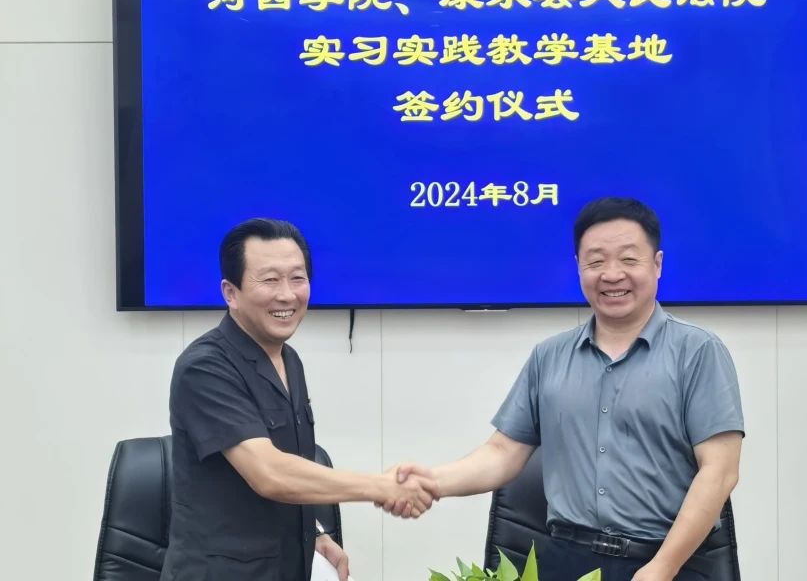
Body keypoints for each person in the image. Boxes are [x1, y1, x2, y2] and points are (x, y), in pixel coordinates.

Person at [383, 197, 744, 581]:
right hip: (566, 560)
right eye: (596, 261)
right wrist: (431, 481)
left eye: (628, 259)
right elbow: (503, 453)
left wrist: (662, 567)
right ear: (578, 267)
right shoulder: (549, 356)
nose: (612, 274)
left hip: (669, 562)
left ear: (657, 264)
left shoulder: (698, 352)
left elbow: (720, 471)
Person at [161, 218, 438, 581]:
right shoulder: (204, 367)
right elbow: (270, 473)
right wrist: (381, 486)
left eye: (297, 278)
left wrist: (315, 533)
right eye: (269, 280)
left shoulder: (288, 359)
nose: (287, 295)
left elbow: (291, 463)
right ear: (231, 293)